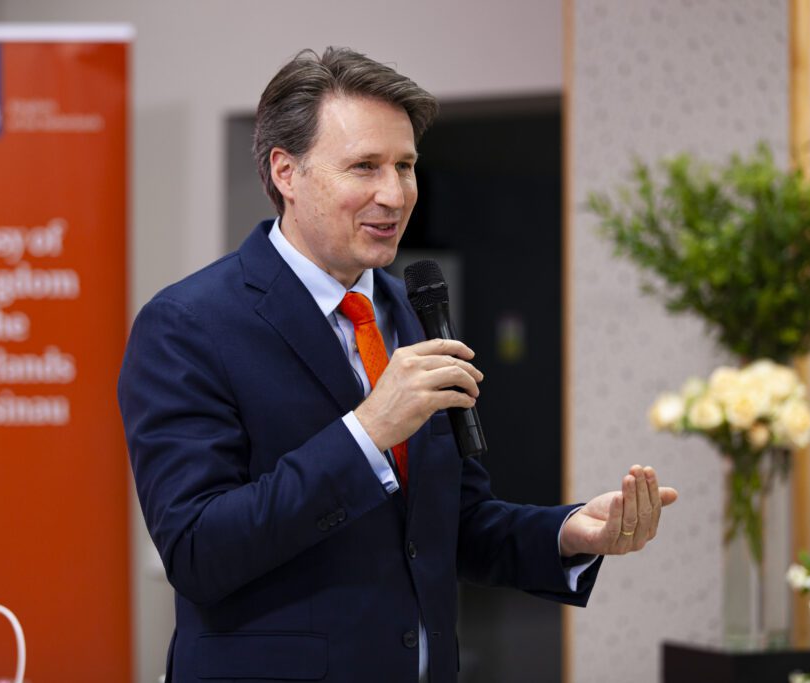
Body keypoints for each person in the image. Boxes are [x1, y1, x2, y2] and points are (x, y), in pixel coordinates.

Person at [118, 47, 678, 683]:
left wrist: (570, 533)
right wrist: (366, 432)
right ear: (286, 172)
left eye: (405, 166)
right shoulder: (188, 324)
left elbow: (453, 522)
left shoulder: (410, 310)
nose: (395, 194)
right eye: (365, 166)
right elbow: (197, 551)